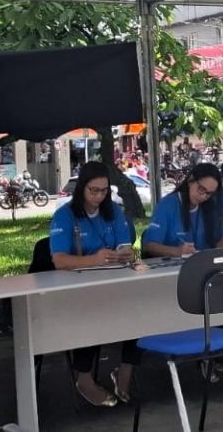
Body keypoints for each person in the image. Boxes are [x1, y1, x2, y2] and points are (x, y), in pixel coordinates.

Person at [47, 161, 138, 406]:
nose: (99, 196)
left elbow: (125, 246)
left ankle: (126, 369)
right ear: (82, 188)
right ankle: (84, 378)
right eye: (93, 190)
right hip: (79, 289)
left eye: (104, 191)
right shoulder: (65, 215)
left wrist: (126, 254)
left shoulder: (114, 211)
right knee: (91, 314)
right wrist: (93, 260)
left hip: (113, 282)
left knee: (141, 307)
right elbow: (59, 260)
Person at [143, 163, 223, 257]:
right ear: (190, 181)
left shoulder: (212, 206)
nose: (204, 196)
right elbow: (149, 245)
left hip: (206, 262)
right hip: (175, 264)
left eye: (209, 193)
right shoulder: (167, 205)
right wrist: (177, 251)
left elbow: (221, 238)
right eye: (201, 189)